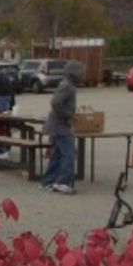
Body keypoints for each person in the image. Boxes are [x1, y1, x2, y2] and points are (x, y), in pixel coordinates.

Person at [40, 60, 85, 195]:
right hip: (60, 125)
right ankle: (63, 182)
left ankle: (47, 181)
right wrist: (68, 115)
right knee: (69, 153)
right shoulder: (67, 86)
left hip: (58, 125)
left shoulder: (67, 84)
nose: (83, 75)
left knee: (58, 155)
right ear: (75, 73)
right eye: (81, 72)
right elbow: (55, 102)